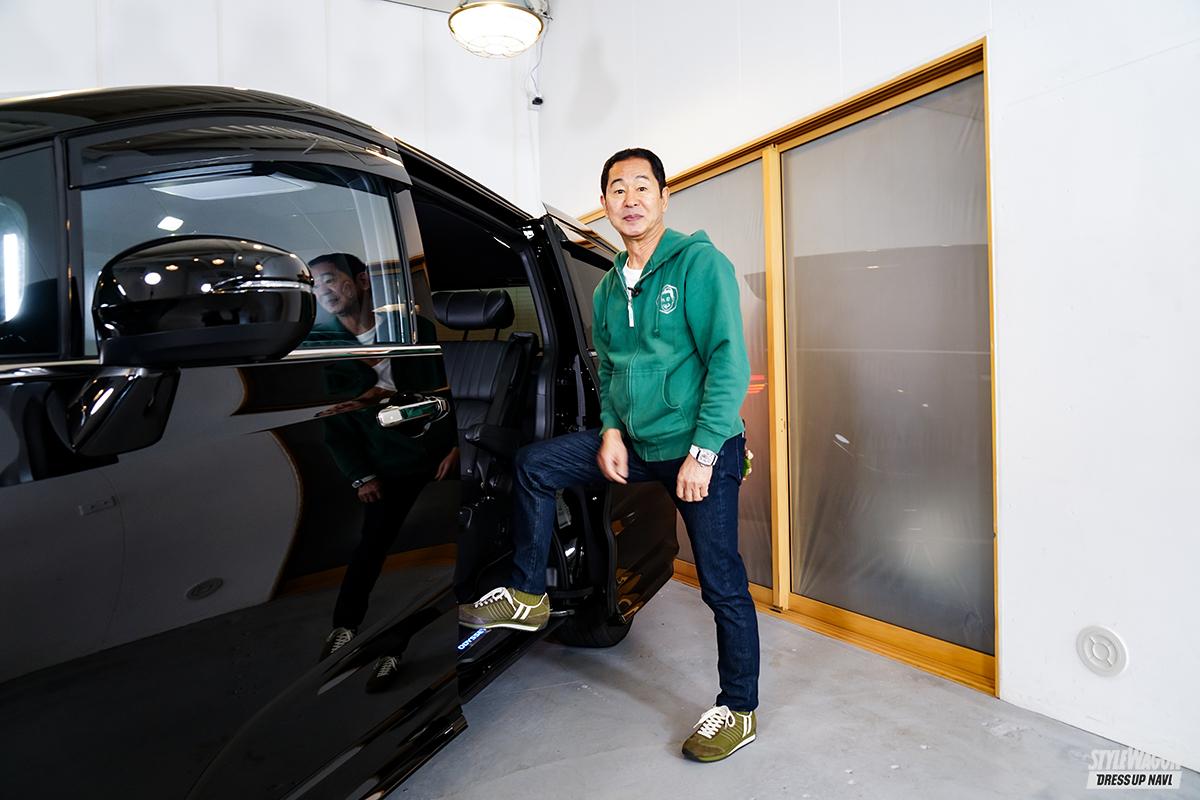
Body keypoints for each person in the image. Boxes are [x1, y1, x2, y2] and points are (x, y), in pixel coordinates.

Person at [458, 149, 759, 762]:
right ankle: (528, 594)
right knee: (535, 465)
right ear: (605, 204)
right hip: (639, 444)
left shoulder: (699, 265)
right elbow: (613, 374)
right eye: (617, 189)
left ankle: (739, 707)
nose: (630, 199)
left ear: (664, 197)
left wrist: (704, 454)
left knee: (721, 583)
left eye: (642, 186)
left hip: (700, 448)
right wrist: (612, 431)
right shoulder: (608, 288)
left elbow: (728, 362)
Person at [307, 253, 457, 690]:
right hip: (385, 465)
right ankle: (346, 626)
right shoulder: (322, 344)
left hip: (438, 457)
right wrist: (361, 475)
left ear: (360, 281)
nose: (324, 291)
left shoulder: (414, 329)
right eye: (316, 285)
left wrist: (455, 444)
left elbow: (448, 389)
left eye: (330, 279)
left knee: (444, 547)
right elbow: (333, 420)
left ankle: (401, 642)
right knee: (373, 547)